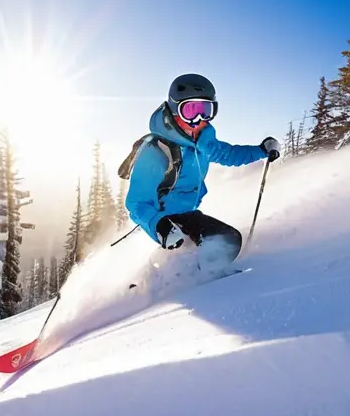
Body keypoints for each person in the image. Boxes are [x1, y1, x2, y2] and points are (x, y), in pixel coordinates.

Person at [120, 73, 280, 271]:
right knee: (225, 241)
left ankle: (197, 274)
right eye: (191, 110)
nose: (199, 119)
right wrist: (160, 226)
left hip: (187, 214)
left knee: (226, 241)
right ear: (173, 110)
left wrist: (261, 150)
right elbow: (137, 202)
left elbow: (229, 154)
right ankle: (175, 281)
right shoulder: (156, 152)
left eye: (206, 110)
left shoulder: (203, 143)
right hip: (164, 219)